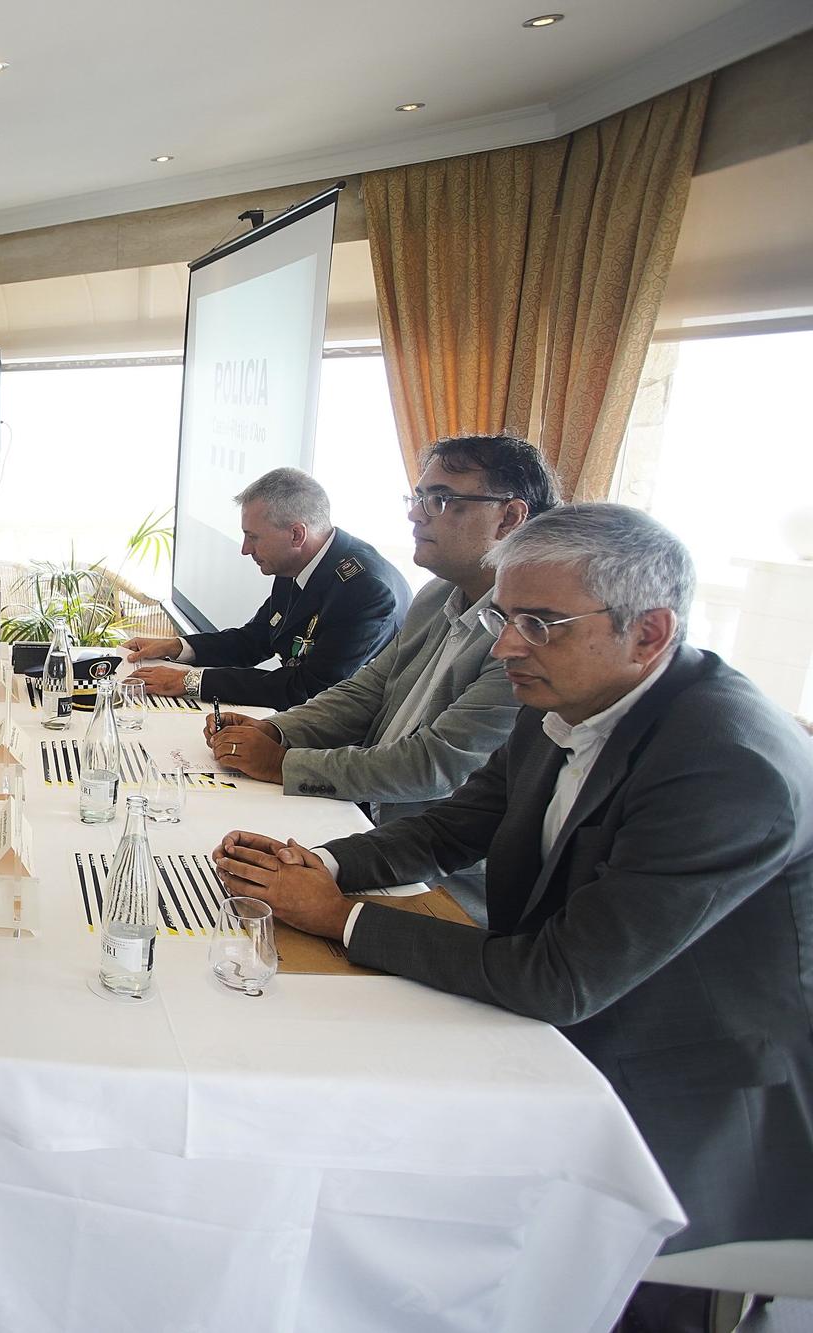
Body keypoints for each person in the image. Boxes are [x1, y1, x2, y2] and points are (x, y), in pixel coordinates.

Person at [212, 504, 813, 1314]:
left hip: (691, 1101)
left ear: (650, 631)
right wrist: (312, 863)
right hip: (579, 1014)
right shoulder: (569, 690)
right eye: (502, 615)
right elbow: (458, 822)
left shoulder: (727, 766)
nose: (504, 646)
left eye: (539, 621)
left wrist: (338, 915)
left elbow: (560, 979)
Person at [202, 436, 557, 923]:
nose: (416, 515)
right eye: (417, 498)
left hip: (442, 879)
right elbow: (366, 690)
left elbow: (435, 765)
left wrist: (285, 763)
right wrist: (277, 731)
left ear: (509, 517)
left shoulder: (526, 636)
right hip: (367, 825)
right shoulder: (438, 596)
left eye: (440, 500)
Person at [125, 467, 410, 708]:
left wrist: (189, 681)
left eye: (253, 537)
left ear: (296, 534)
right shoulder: (297, 561)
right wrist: (177, 647)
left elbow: (310, 688)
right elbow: (256, 639)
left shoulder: (365, 590)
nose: (246, 550)